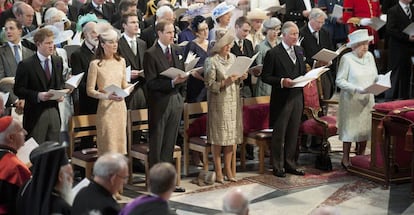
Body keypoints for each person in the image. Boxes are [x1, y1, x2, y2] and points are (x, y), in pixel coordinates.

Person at [143, 20, 187, 192]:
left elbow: (181, 73)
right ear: (159, 33)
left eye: (173, 32)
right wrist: (171, 83)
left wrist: (181, 94)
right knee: (157, 143)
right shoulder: (150, 54)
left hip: (175, 101)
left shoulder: (177, 50)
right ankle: (155, 184)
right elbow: (151, 83)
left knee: (169, 142)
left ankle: (167, 182)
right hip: (159, 103)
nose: (172, 36)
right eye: (168, 32)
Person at [262, 21, 306, 178]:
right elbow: (265, 76)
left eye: (297, 34)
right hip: (282, 98)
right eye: (293, 34)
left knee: (293, 132)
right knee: (280, 133)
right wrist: (281, 82)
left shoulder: (299, 50)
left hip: (297, 96)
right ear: (284, 35)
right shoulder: (273, 53)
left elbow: (302, 70)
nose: (296, 37)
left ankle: (290, 163)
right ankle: (278, 165)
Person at [204, 29, 246, 183]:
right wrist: (225, 82)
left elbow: (237, 79)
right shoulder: (211, 61)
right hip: (219, 103)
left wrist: (241, 77)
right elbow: (209, 84)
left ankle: (228, 169)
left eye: (230, 44)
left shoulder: (234, 58)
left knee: (231, 138)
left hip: (233, 101)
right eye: (225, 44)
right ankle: (218, 170)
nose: (229, 47)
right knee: (219, 138)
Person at [14, 28, 65, 143]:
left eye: (52, 42)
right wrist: (37, 95)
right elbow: (18, 90)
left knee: (54, 146)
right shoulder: (26, 65)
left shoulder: (58, 61)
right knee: (36, 148)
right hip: (35, 113)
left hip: (54, 111)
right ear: (38, 44)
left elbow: (59, 82)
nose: (51, 46)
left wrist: (61, 93)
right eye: (47, 43)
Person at [335, 29, 377, 169]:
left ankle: (361, 157)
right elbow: (339, 81)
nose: (365, 47)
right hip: (351, 100)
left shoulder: (370, 56)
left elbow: (375, 76)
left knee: (365, 129)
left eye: (366, 43)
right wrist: (355, 88)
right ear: (353, 45)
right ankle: (345, 159)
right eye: (361, 44)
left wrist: (381, 82)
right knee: (350, 130)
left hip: (367, 99)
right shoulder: (346, 58)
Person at [86, 23, 130, 155]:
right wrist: (106, 96)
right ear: (103, 44)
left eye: (116, 41)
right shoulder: (95, 64)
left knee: (121, 146)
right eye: (111, 42)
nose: (115, 45)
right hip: (106, 109)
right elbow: (90, 90)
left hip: (120, 107)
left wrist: (128, 89)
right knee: (108, 145)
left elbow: (124, 84)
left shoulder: (121, 61)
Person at [17, 141, 74, 215]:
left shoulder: (25, 187)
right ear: (60, 177)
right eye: (70, 175)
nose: (72, 180)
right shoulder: (60, 207)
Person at [0, 18, 34, 115]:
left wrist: (27, 99)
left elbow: (33, 80)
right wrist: (15, 100)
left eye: (11, 28)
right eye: (6, 29)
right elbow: (1, 80)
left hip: (29, 103)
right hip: (10, 105)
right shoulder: (1, 52)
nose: (8, 31)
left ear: (19, 31)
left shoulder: (30, 52)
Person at [299, 8, 335, 99]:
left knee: (326, 95)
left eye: (322, 23)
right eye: (318, 22)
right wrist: (315, 63)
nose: (320, 25)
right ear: (310, 19)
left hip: (324, 71)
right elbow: (300, 56)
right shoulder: (301, 34)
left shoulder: (325, 32)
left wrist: (329, 60)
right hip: (309, 73)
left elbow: (330, 49)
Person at [0, 116, 31, 215]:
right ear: (11, 138)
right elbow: (26, 198)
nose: (25, 132)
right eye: (21, 130)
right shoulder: (15, 166)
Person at [384, 0, 414, 100]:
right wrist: (406, 37)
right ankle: (389, 99)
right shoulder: (393, 11)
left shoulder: (412, 9)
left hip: (409, 48)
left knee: (407, 74)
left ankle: (404, 99)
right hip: (397, 48)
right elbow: (390, 29)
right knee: (395, 75)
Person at [71, 14, 100, 116]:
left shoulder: (104, 51)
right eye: (93, 32)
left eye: (98, 32)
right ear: (85, 34)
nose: (96, 35)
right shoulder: (77, 55)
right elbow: (79, 82)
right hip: (89, 103)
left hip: (106, 99)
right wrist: (97, 91)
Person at [118, 12, 148, 110]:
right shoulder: (118, 44)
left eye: (137, 22)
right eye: (132, 22)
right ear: (124, 25)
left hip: (142, 87)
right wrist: (126, 74)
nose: (136, 25)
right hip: (126, 89)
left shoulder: (142, 43)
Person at [183, 15, 211, 103]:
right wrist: (204, 80)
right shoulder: (191, 46)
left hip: (210, 85)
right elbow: (189, 69)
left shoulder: (212, 45)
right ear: (196, 32)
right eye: (202, 30)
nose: (206, 32)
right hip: (197, 86)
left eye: (207, 28)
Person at [254, 17, 281, 97]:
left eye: (278, 29)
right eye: (273, 30)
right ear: (266, 30)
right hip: (266, 85)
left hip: (279, 81)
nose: (276, 32)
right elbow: (258, 67)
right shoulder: (260, 46)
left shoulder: (281, 43)